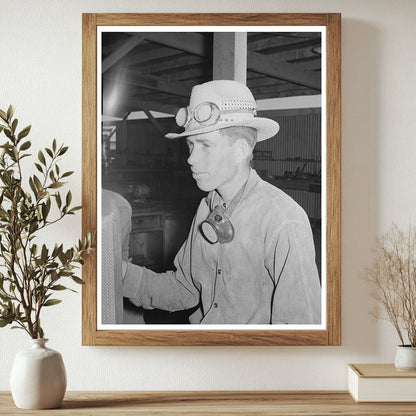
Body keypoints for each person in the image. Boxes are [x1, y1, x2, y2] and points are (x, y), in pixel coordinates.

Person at [122, 80, 321, 324]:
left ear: (240, 151)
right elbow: (184, 289)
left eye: (205, 146)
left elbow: (300, 328)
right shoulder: (206, 207)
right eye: (191, 145)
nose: (191, 159)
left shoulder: (283, 220)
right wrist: (119, 274)